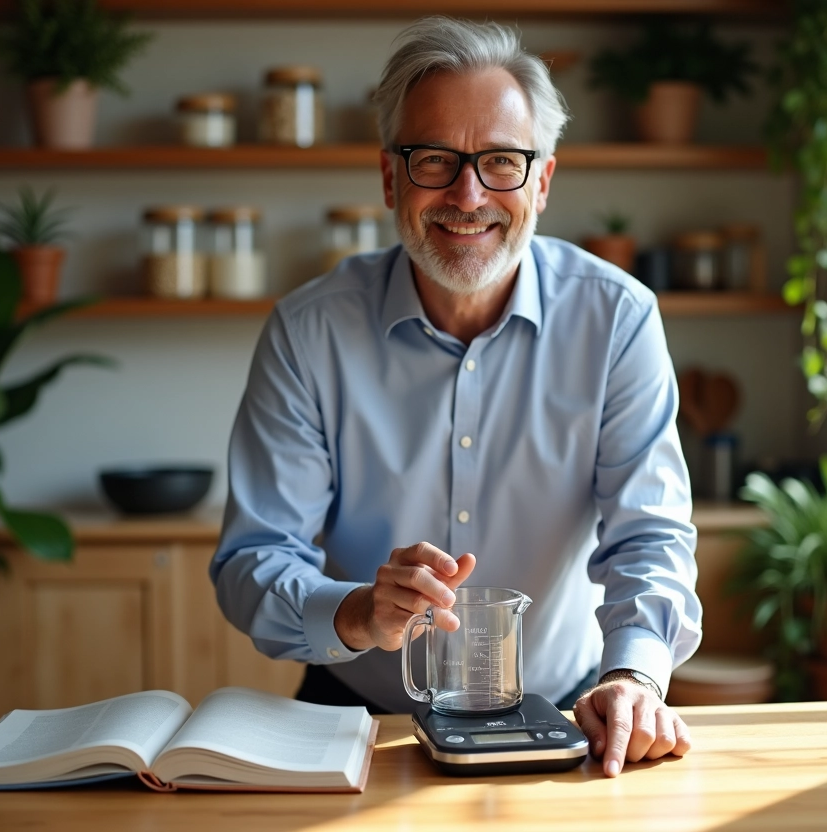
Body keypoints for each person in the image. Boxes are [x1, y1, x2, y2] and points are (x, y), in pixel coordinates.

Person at [210, 16, 702, 778]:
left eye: (501, 161)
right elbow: (255, 556)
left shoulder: (617, 319)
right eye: (435, 160)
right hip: (356, 718)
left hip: (566, 713)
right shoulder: (308, 332)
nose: (468, 196)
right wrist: (356, 612)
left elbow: (649, 536)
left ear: (542, 181)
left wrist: (635, 674)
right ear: (390, 178)